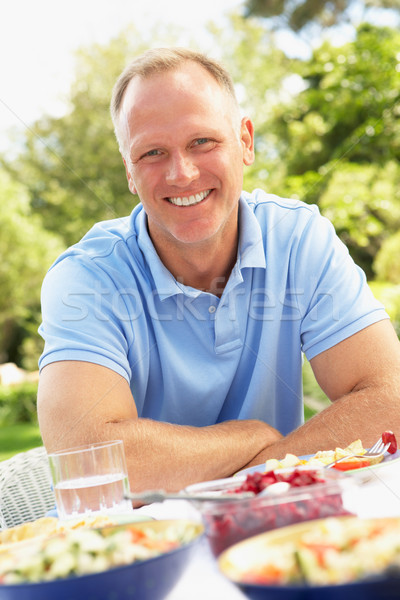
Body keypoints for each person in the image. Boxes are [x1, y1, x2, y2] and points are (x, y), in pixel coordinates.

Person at [37, 47, 400, 492]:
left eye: (202, 142)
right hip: (149, 544)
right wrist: (251, 436)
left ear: (245, 141)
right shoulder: (86, 277)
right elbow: (84, 458)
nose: (182, 173)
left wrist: (261, 470)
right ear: (129, 172)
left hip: (282, 522)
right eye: (152, 152)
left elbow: (390, 397)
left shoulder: (299, 237)